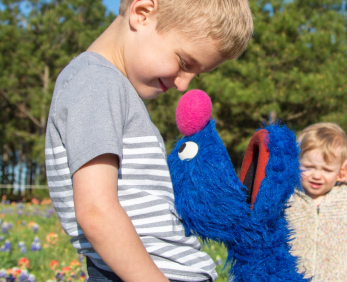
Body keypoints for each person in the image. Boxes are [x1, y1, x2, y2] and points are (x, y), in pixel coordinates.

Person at [44, 0, 253, 281]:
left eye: (195, 74)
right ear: (142, 14)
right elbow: (96, 210)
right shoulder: (95, 82)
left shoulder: (110, 86)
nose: (183, 84)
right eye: (183, 63)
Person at [286, 122, 347, 282]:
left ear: (341, 169)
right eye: (308, 167)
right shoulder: (288, 197)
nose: (317, 175)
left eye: (327, 170)